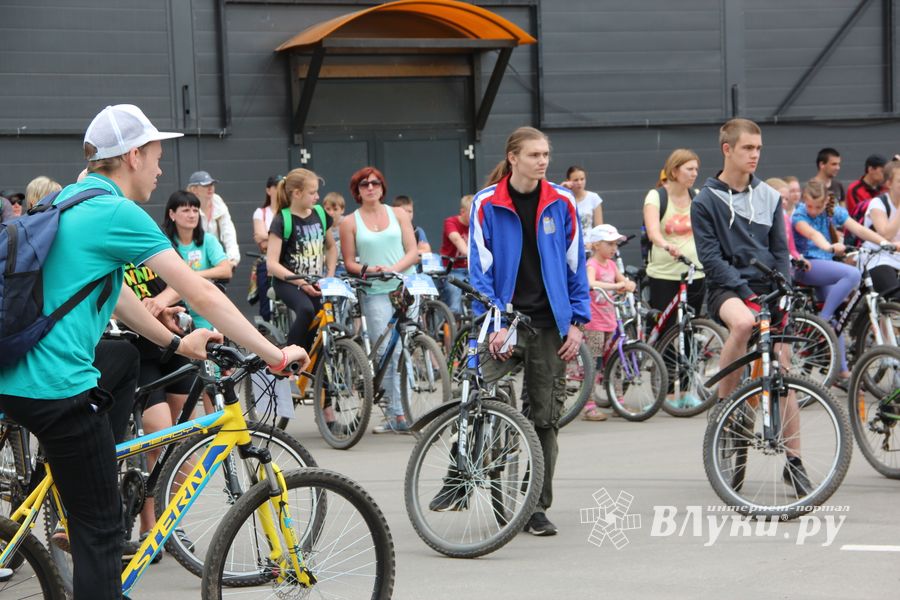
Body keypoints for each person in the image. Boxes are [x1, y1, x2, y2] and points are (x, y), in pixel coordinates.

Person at [0, 104, 308, 600]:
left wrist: (175, 342)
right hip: (55, 390)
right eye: (158, 156)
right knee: (101, 536)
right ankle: (88, 500)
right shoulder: (116, 211)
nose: (162, 169)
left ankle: (73, 476)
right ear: (133, 155)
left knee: (121, 359)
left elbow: (117, 294)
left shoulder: (74, 198)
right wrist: (274, 354)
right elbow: (202, 294)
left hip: (14, 375)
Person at [467, 126, 590, 535]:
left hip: (549, 326)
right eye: (534, 154)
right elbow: (478, 271)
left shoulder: (562, 202)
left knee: (544, 421)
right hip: (505, 322)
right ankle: (459, 470)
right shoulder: (487, 203)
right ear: (513, 157)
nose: (543, 161)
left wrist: (576, 322)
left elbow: (576, 266)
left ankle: (536, 506)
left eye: (546, 155)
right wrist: (497, 324)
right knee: (475, 391)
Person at [691, 118, 811, 498]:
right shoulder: (705, 200)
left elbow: (780, 251)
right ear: (727, 149)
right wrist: (744, 291)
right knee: (742, 325)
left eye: (758, 148)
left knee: (783, 367)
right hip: (727, 289)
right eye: (747, 148)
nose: (755, 155)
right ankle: (726, 409)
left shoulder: (770, 198)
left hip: (768, 288)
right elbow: (711, 260)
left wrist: (784, 288)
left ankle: (795, 463)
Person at [339, 167, 418, 433]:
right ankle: (395, 413)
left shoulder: (398, 214)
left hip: (404, 285)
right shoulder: (350, 221)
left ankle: (402, 410)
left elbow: (413, 251)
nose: (370, 187)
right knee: (387, 352)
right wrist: (369, 270)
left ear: (382, 187)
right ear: (357, 191)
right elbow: (349, 261)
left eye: (375, 183)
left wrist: (394, 268)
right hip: (374, 290)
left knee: (407, 347)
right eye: (364, 184)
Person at [792, 179, 892, 383]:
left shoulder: (831, 211)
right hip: (806, 266)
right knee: (852, 275)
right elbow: (812, 233)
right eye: (810, 205)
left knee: (839, 320)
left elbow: (859, 229)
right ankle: (822, 322)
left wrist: (885, 243)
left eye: (818, 206)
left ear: (826, 202)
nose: (813, 210)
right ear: (804, 199)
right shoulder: (799, 214)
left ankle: (842, 371)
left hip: (825, 267)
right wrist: (830, 247)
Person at [266, 168, 337, 350]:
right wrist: (302, 283)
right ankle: (292, 359)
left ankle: (318, 365)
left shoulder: (320, 214)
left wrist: (329, 275)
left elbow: (330, 247)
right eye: (312, 193)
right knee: (306, 310)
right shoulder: (283, 219)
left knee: (325, 314)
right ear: (297, 194)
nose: (317, 197)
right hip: (288, 282)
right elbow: (272, 264)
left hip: (315, 281)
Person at [581, 224, 634, 422]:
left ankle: (617, 399)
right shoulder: (592, 265)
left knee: (615, 362)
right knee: (592, 364)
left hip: (610, 321)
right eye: (609, 244)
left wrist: (628, 284)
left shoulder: (611, 265)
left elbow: (622, 279)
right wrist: (617, 285)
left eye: (615, 244)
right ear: (595, 245)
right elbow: (590, 283)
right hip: (594, 323)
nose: (614, 248)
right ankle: (588, 404)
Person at [162, 190, 234, 331]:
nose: (192, 215)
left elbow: (226, 270)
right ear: (172, 214)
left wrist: (193, 276)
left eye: (195, 210)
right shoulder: (164, 243)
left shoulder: (208, 240)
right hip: (173, 310)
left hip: (205, 309)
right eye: (186, 210)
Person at [862, 159, 900, 298]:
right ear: (889, 183)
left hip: (897, 257)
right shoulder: (878, 203)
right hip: (877, 257)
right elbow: (886, 235)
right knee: (895, 295)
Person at [186, 170, 240, 266]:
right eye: (205, 185)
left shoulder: (217, 201)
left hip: (215, 256)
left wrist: (232, 258)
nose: (210, 188)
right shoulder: (185, 206)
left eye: (212, 184)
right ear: (194, 189)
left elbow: (228, 232)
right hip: (193, 258)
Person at [251, 175, 281, 320]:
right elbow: (261, 243)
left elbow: (262, 236)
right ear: (269, 190)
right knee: (266, 303)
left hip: (288, 259)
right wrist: (282, 239)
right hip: (267, 260)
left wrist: (267, 236)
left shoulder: (288, 212)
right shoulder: (261, 212)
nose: (280, 190)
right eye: (276, 186)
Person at [437, 194, 473, 314]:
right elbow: (457, 239)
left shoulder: (477, 224)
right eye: (471, 213)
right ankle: (453, 329)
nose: (474, 217)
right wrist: (468, 253)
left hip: (471, 269)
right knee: (454, 297)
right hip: (454, 268)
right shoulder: (450, 222)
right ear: (462, 212)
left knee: (481, 295)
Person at [562, 165, 603, 249]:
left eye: (582, 179)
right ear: (568, 181)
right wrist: (562, 188)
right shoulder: (564, 199)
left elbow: (599, 228)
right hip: (570, 246)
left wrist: (593, 244)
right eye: (576, 180)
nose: (579, 183)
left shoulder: (594, 198)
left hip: (589, 247)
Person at [845, 154, 887, 234]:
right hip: (863, 233)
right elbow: (856, 215)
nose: (885, 175)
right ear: (871, 169)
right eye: (882, 171)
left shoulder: (886, 187)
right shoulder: (854, 189)